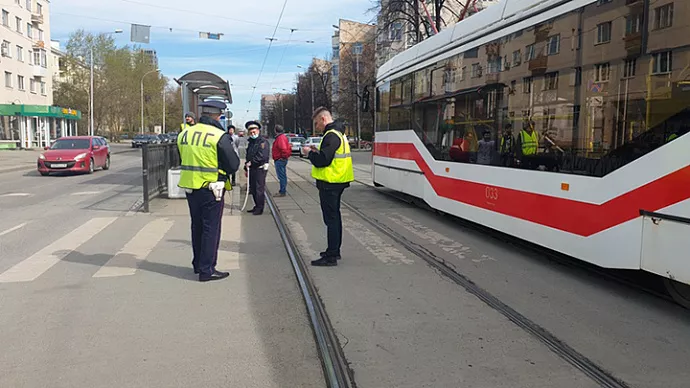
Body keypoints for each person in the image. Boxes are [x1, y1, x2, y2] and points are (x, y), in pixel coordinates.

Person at [177, 101, 240, 282]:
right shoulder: (218, 135)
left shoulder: (184, 134)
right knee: (211, 228)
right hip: (212, 188)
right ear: (218, 115)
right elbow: (233, 164)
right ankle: (207, 269)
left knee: (196, 226)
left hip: (190, 187)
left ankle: (198, 264)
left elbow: (182, 157)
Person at [302, 107, 354, 267]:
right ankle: (334, 250)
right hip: (337, 181)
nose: (316, 127)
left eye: (317, 124)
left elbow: (324, 160)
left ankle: (331, 255)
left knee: (331, 219)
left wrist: (309, 154)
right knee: (334, 218)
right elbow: (330, 155)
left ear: (324, 119)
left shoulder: (331, 135)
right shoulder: (339, 133)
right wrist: (317, 150)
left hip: (330, 183)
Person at [244, 121, 270, 215]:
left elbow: (262, 156)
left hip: (260, 168)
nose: (252, 133)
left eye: (254, 131)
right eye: (250, 132)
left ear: (258, 131)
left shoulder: (263, 142)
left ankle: (260, 208)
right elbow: (248, 155)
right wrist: (245, 167)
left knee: (259, 189)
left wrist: (252, 162)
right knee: (253, 189)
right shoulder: (251, 142)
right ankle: (256, 205)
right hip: (252, 169)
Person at [272, 124, 292, 197]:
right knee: (282, 175)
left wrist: (283, 157)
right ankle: (282, 190)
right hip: (281, 159)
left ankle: (282, 191)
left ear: (275, 130)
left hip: (280, 159)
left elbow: (283, 149)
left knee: (281, 176)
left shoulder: (280, 138)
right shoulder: (282, 137)